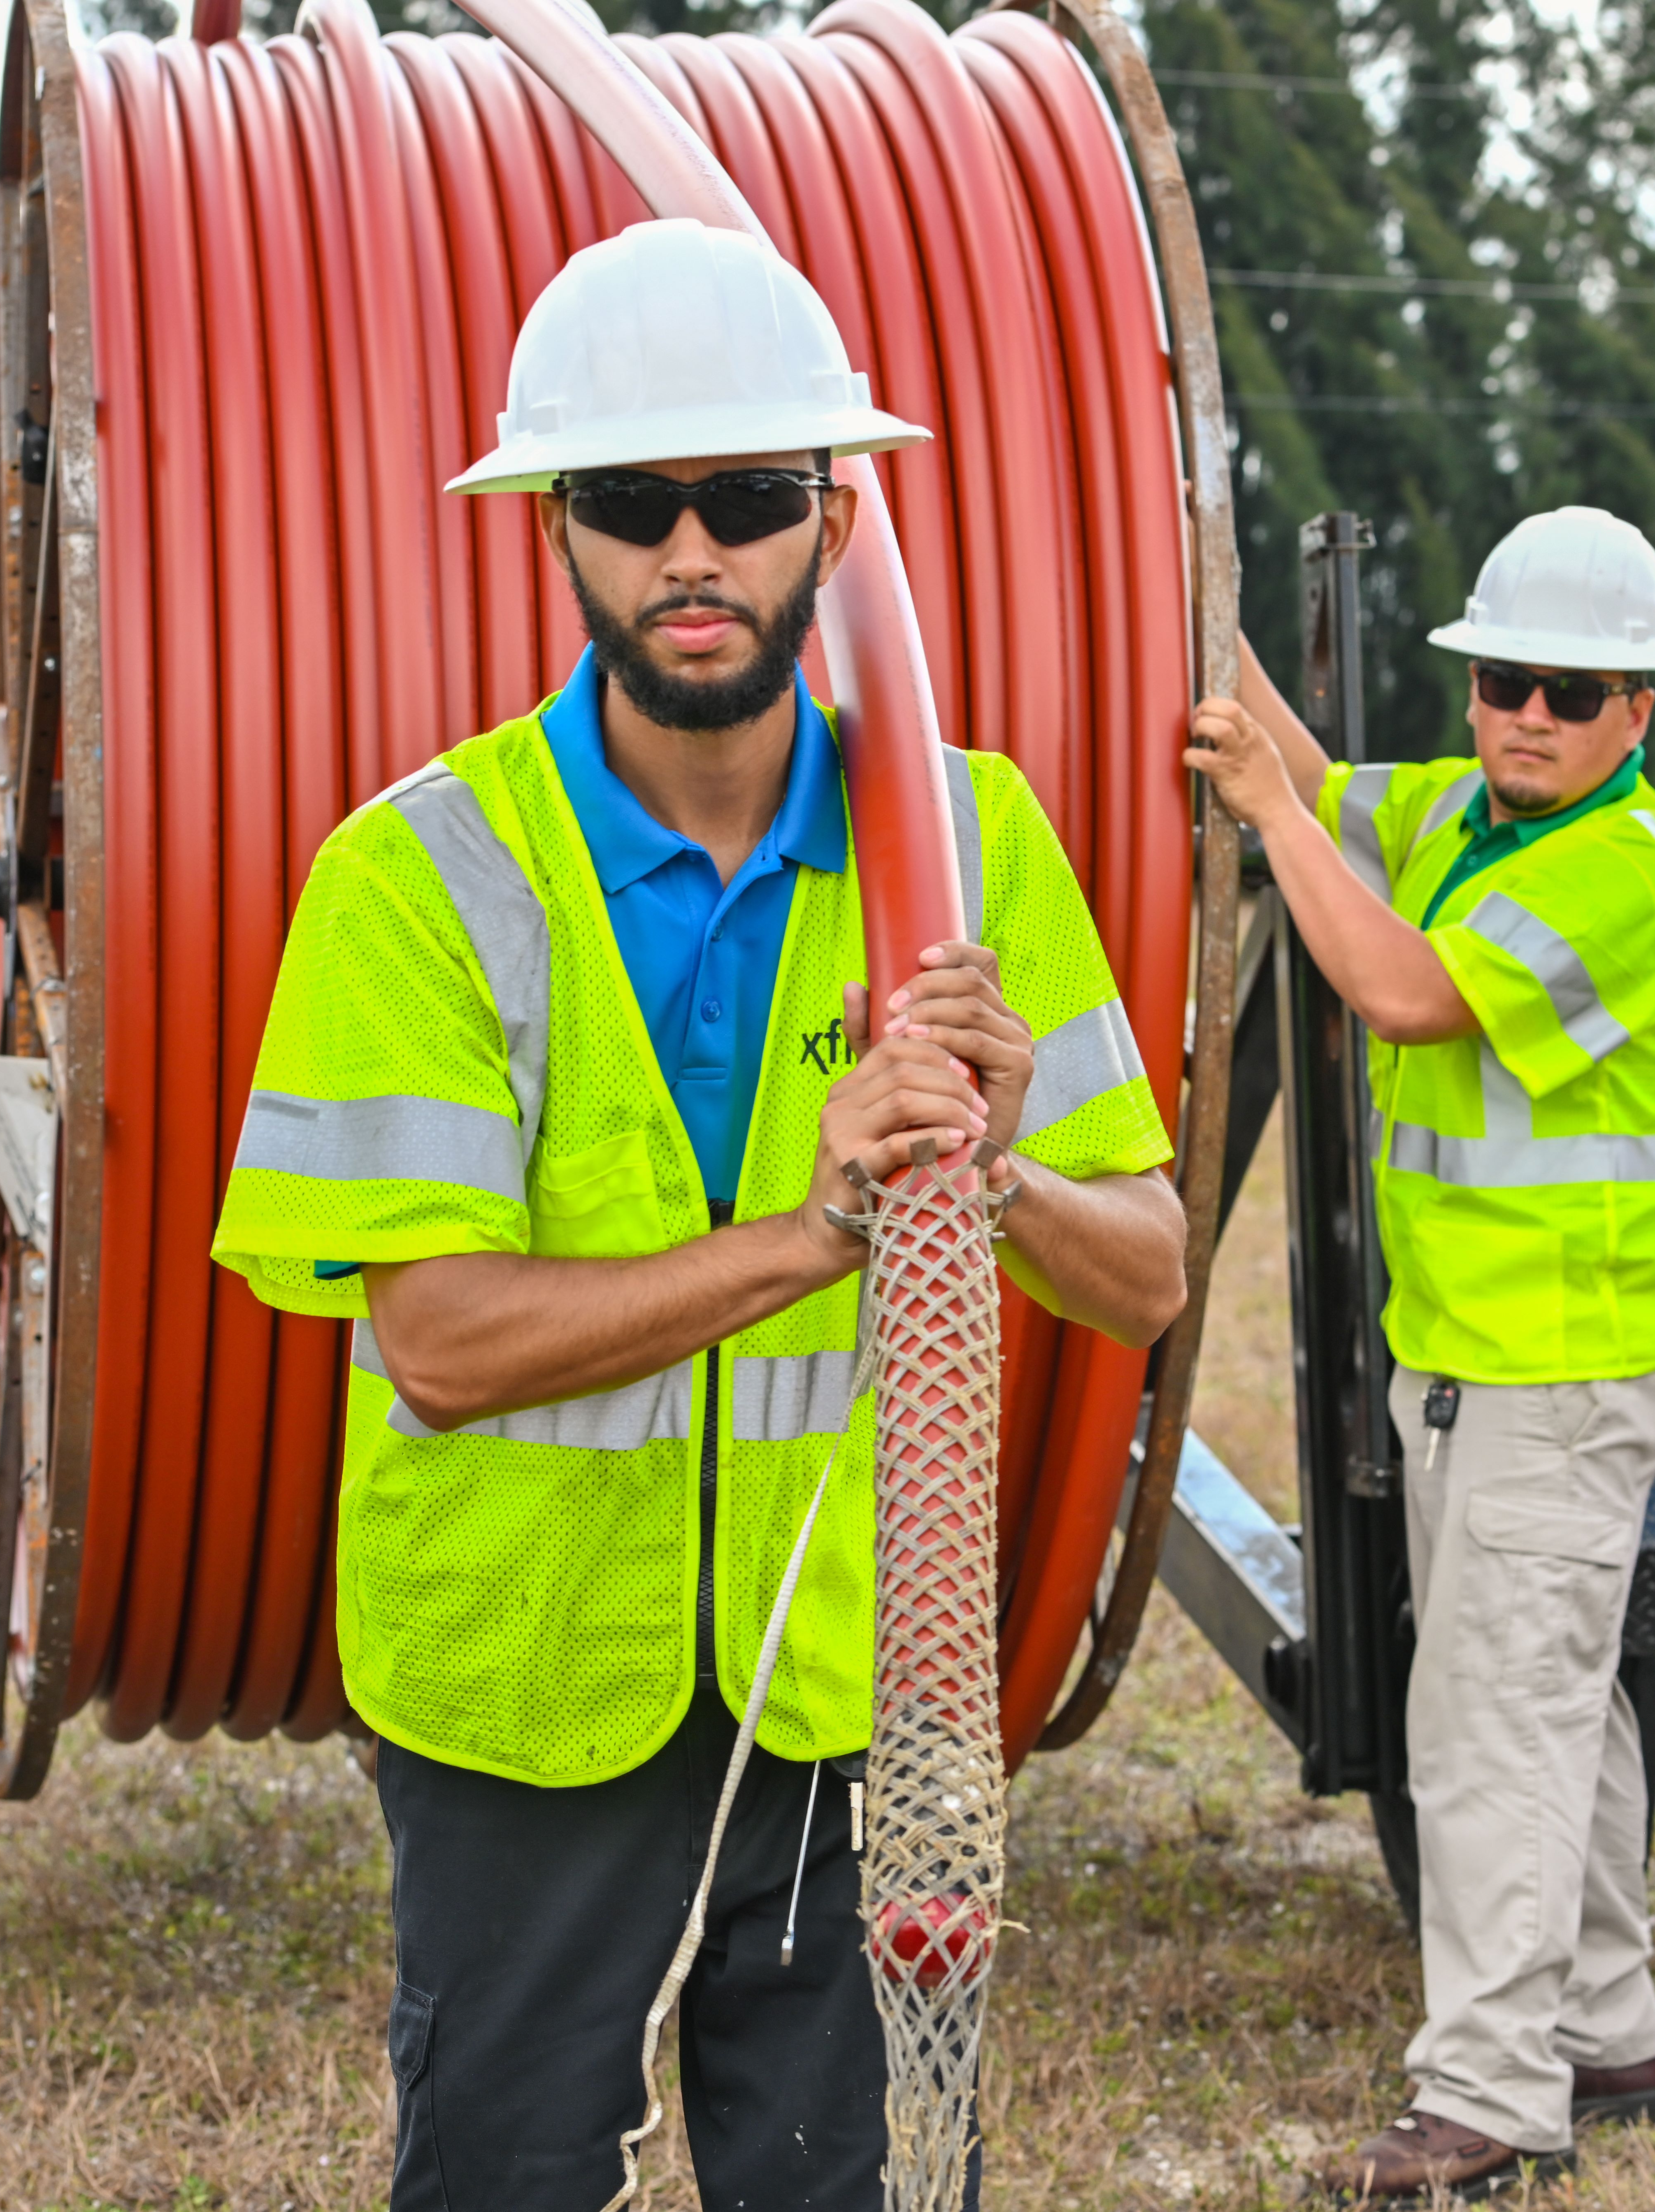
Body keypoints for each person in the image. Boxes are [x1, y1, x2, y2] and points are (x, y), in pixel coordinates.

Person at [212, 218, 1188, 2212]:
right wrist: (821, 1231)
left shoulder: (970, 847)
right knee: (500, 2176)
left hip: (847, 1677)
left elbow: (1149, 1268)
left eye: (743, 498)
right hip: (526, 1686)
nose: (690, 554)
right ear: (552, 528)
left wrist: (994, 1175)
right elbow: (443, 1342)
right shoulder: (421, 875)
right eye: (632, 502)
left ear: (830, 519)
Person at [1185, 505, 1655, 2199]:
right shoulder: (1460, 811)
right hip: (1487, 1365)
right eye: (1504, 680)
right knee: (1560, 1706)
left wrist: (1269, 814)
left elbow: (1404, 991)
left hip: (1558, 1380)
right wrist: (1203, 599)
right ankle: (1611, 2029)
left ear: (1641, 711)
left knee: (1493, 1730)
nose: (1528, 714)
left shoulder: (1619, 878)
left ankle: (1489, 2097)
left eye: (1572, 689)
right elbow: (1308, 768)